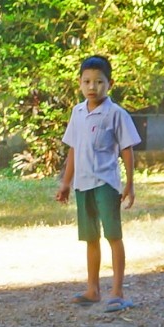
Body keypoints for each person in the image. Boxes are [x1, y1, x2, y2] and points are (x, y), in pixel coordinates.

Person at [55, 55, 139, 310]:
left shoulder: (116, 114)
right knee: (90, 238)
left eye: (99, 82)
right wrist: (65, 183)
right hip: (83, 184)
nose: (92, 87)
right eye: (87, 81)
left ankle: (117, 290)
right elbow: (73, 150)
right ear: (80, 84)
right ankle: (93, 289)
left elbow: (127, 149)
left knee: (113, 236)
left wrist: (130, 184)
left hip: (106, 183)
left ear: (109, 84)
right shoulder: (77, 112)